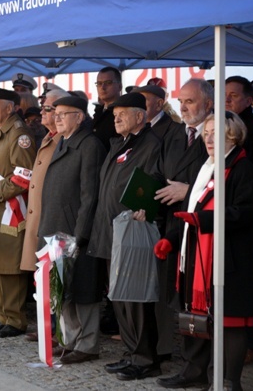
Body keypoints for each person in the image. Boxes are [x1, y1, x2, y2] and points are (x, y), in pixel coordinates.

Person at [155, 112, 253, 390]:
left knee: (231, 323)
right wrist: (171, 238)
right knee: (196, 317)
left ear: (234, 135)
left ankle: (229, 381)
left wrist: (204, 221)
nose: (209, 138)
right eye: (207, 133)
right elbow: (190, 211)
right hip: (197, 256)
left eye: (216, 132)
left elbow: (246, 213)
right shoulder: (205, 167)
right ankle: (194, 372)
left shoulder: (242, 168)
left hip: (229, 260)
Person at [87, 92, 163, 381]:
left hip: (132, 234)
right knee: (119, 298)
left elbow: (155, 182)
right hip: (111, 233)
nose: (115, 117)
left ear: (140, 116)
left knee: (136, 300)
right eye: (114, 112)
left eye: (123, 113)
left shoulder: (151, 144)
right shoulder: (119, 143)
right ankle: (132, 353)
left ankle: (146, 359)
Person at [38, 95, 106, 364]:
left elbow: (89, 195)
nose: (57, 117)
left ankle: (87, 344)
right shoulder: (63, 141)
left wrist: (79, 235)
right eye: (56, 112)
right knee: (63, 288)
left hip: (75, 232)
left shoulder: (89, 145)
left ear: (80, 117)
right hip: (55, 229)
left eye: (64, 113)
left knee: (83, 289)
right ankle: (69, 340)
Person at [150, 78, 214, 363]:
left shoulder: (216, 136)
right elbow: (158, 173)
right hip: (170, 227)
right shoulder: (175, 135)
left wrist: (187, 192)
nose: (183, 107)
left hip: (201, 231)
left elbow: (224, 182)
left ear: (208, 104)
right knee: (172, 295)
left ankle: (199, 364)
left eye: (190, 101)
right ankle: (176, 355)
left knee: (197, 299)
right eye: (181, 101)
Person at [0, 88, 37, 337]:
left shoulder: (19, 134)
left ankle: (14, 319)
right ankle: (3, 315)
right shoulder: (0, 132)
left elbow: (24, 176)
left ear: (10, 108)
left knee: (9, 265)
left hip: (9, 209)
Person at [20, 88, 69, 272]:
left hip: (54, 224)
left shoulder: (64, 141)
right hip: (39, 222)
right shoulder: (48, 137)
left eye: (46, 109)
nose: (41, 112)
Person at [225, 76, 253, 166]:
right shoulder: (215, 124)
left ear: (248, 101)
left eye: (234, 96)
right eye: (223, 94)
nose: (227, 100)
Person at [92, 66, 123, 151]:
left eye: (108, 83)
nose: (102, 87)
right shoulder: (98, 111)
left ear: (120, 86)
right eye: (99, 83)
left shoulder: (124, 112)